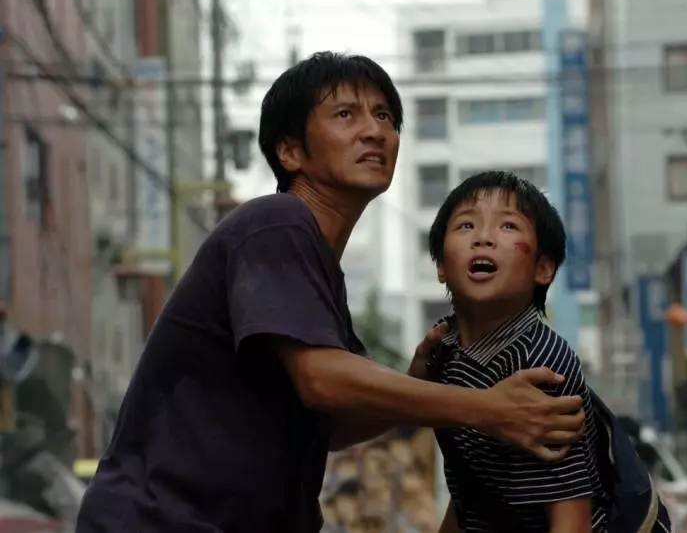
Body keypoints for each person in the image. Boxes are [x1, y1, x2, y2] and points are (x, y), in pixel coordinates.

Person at [75, 53, 585, 533]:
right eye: (346, 114)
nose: (375, 130)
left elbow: (334, 426)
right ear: (291, 151)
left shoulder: (317, 272)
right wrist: (488, 408)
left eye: (385, 116)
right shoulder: (276, 224)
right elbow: (322, 379)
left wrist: (413, 382)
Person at [419, 171, 609, 532]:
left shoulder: (542, 364)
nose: (483, 238)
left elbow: (571, 515)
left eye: (508, 226)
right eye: (465, 225)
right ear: (441, 266)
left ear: (543, 268)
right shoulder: (443, 349)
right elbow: (470, 489)